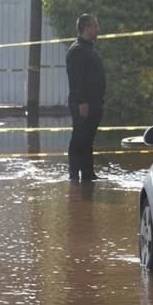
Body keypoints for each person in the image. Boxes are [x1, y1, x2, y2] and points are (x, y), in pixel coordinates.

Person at [66, 13, 105, 183]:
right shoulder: (77, 50)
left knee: (88, 138)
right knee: (79, 137)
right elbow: (77, 79)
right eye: (95, 26)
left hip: (94, 102)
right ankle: (74, 175)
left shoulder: (89, 48)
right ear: (87, 27)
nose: (98, 29)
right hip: (83, 103)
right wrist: (82, 102)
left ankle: (88, 173)